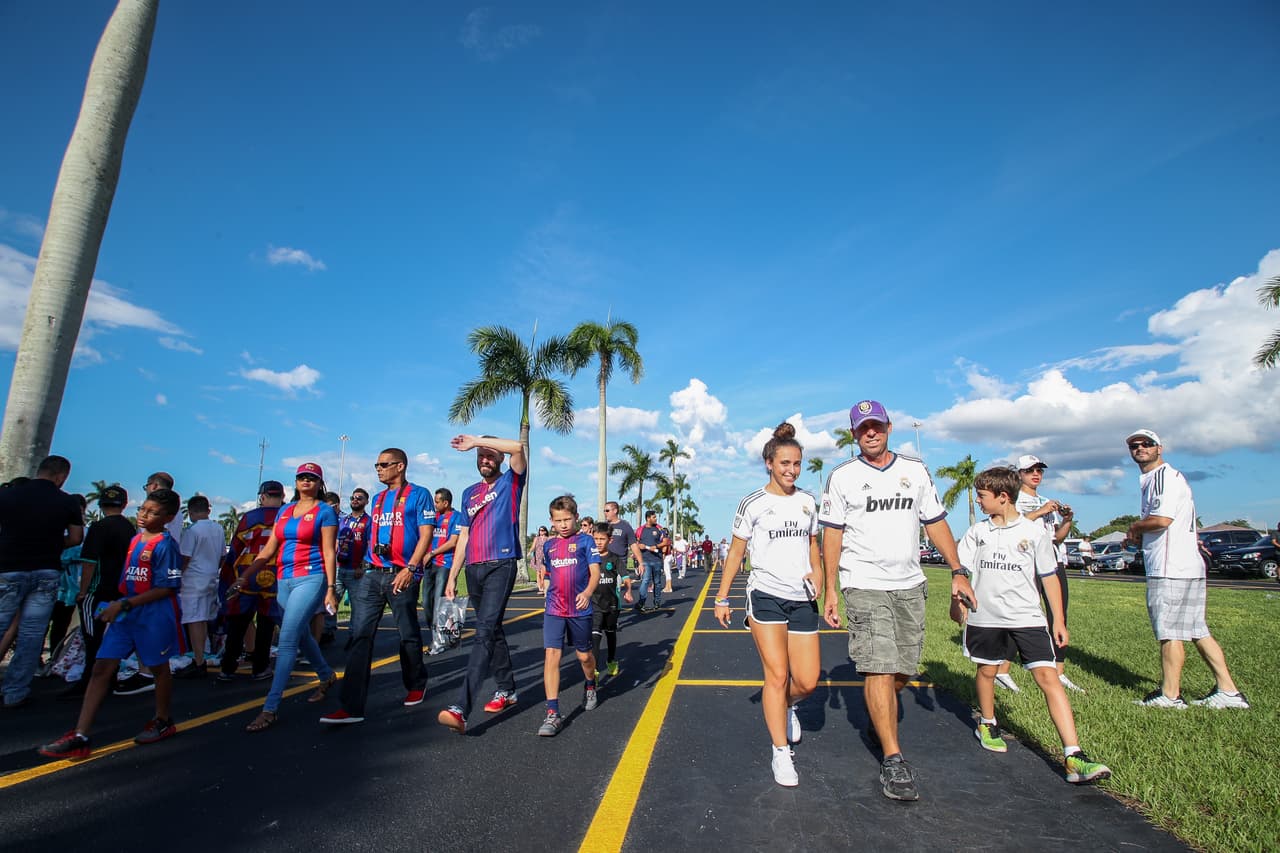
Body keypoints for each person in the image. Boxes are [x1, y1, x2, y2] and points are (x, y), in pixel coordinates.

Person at [820, 400, 974, 802]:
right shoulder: (843, 477)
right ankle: (893, 759)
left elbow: (935, 521)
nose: (870, 432)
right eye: (863, 428)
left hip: (910, 584)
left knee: (903, 668)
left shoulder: (915, 470)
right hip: (863, 582)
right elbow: (832, 534)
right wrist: (831, 588)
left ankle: (880, 717)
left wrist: (958, 569)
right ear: (854, 434)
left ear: (889, 427)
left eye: (876, 425)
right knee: (879, 666)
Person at [955, 467, 1111, 784]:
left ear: (1002, 496)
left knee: (1048, 676)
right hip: (986, 617)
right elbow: (961, 574)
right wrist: (956, 604)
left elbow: (1049, 576)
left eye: (982, 496)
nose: (978, 501)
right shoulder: (977, 532)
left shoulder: (1034, 532)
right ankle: (988, 723)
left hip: (1027, 617)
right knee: (987, 671)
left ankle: (1074, 755)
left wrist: (1059, 620)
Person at [715, 423, 832, 787]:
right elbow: (736, 552)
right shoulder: (753, 503)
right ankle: (780, 751)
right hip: (765, 594)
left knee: (808, 681)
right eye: (784, 463)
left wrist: (819, 578)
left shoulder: (807, 501)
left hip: (801, 597)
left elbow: (813, 546)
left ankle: (787, 705)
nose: (791, 470)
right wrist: (722, 596)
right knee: (777, 675)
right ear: (769, 463)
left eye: (796, 463)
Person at [39, 488, 184, 758]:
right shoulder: (135, 539)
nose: (144, 515)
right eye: (143, 509)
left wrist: (126, 604)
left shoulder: (166, 546)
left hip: (152, 616)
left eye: (153, 512)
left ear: (169, 517)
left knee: (158, 669)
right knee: (101, 668)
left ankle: (163, 719)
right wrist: (117, 604)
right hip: (125, 614)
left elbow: (168, 587)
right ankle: (81, 734)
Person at [1124, 429, 1248, 709]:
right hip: (1185, 564)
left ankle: (1170, 695)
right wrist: (1140, 534)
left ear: (1159, 448)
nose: (1140, 448)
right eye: (1134, 445)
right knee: (1196, 630)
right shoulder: (1158, 478)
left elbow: (1162, 519)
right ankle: (1229, 691)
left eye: (1147, 444)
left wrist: (1135, 527)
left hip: (1170, 567)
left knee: (1169, 632)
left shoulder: (1163, 477)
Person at [321, 449, 434, 724]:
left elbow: (426, 534)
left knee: (407, 633)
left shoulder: (419, 494)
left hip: (401, 574)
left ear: (400, 466)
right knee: (360, 635)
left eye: (384, 464)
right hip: (373, 574)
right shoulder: (379, 499)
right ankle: (351, 707)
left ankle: (416, 682)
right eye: (376, 465)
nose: (379, 469)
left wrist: (411, 568)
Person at [238, 464, 340, 732]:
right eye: (302, 477)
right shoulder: (284, 511)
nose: (306, 481)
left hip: (312, 576)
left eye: (312, 478)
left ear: (319, 483)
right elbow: (269, 548)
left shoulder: (325, 511)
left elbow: (329, 551)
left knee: (287, 641)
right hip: (284, 579)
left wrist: (331, 588)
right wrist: (245, 576)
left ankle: (270, 708)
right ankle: (326, 675)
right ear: (295, 482)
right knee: (301, 633)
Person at [437, 435, 527, 735]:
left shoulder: (511, 481)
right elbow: (463, 535)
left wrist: (477, 441)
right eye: (480, 456)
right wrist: (453, 575)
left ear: (499, 458)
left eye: (490, 455)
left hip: (502, 563)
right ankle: (507, 689)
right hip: (474, 568)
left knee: (484, 631)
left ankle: (460, 708)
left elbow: (518, 448)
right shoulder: (469, 493)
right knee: (493, 628)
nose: (485, 460)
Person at [0, 455, 85, 708]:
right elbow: (76, 537)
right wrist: (53, 544)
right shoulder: (67, 501)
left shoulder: (9, 495)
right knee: (32, 634)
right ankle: (15, 691)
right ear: (61, 476)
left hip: (9, 568)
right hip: (46, 570)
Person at [1007, 455, 1083, 694]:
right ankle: (1002, 668)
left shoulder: (1045, 501)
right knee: (1021, 613)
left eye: (1039, 470)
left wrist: (1067, 520)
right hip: (1027, 561)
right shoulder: (1014, 499)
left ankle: (1059, 670)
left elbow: (1056, 537)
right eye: (1030, 470)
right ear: (1019, 474)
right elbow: (1014, 525)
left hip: (1052, 561)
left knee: (1058, 613)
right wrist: (1041, 511)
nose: (1035, 474)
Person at [535, 495, 601, 736]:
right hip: (554, 608)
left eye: (567, 519)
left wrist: (587, 592)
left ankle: (590, 684)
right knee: (552, 655)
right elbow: (550, 573)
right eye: (558, 520)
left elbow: (595, 572)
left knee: (584, 656)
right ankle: (553, 713)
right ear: (551, 521)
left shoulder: (586, 541)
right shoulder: (549, 545)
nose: (563, 525)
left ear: (576, 517)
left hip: (579, 608)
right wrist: (546, 591)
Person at [63, 485, 133, 700]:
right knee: (112, 637)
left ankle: (90, 681)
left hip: (97, 591)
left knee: (92, 637)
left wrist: (83, 591)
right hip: (119, 592)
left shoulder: (99, 527)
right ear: (124, 505)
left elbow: (89, 562)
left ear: (101, 504)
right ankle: (109, 677)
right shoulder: (129, 528)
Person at [218, 481, 286, 684]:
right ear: (282, 497)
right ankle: (260, 667)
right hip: (275, 575)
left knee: (239, 622)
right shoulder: (287, 516)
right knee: (266, 623)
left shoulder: (249, 518)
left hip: (247, 573)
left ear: (262, 497)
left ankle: (227, 668)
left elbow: (235, 549)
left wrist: (229, 578)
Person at [175, 495, 226, 678]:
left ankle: (198, 661)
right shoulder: (218, 528)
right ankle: (201, 656)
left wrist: (176, 576)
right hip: (211, 577)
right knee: (203, 619)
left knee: (194, 621)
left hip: (193, 580)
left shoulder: (192, 530)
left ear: (190, 512)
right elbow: (223, 556)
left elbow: (185, 557)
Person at [323, 487, 371, 644]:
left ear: (366, 502)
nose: (355, 500)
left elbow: (369, 546)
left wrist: (362, 566)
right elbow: (336, 542)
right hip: (339, 567)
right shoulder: (344, 520)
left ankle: (354, 634)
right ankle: (328, 630)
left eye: (359, 498)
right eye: (353, 497)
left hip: (355, 570)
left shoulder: (368, 522)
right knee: (332, 600)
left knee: (357, 605)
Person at [46, 494, 88, 660]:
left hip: (72, 589)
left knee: (61, 625)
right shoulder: (56, 529)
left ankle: (55, 658)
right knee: (43, 624)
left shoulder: (86, 532)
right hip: (52, 585)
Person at [591, 521, 631, 679]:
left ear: (610, 540)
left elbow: (625, 576)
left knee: (610, 633)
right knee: (595, 634)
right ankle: (594, 671)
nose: (598, 542)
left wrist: (628, 590)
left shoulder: (614, 559)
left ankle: (611, 660)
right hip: (594, 603)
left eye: (602, 539)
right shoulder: (589, 558)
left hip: (612, 603)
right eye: (595, 539)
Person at [421, 488, 462, 637]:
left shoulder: (457, 517)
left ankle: (439, 635)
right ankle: (435, 629)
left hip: (445, 563)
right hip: (429, 564)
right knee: (426, 602)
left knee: (439, 601)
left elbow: (453, 542)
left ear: (446, 503)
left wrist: (432, 553)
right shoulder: (433, 517)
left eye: (437, 502)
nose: (435, 504)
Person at [603, 501, 644, 598]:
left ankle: (614, 606)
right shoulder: (604, 527)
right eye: (604, 511)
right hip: (604, 563)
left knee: (614, 590)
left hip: (619, 564)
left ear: (615, 511)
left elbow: (633, 545)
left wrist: (641, 563)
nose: (605, 513)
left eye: (607, 510)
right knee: (604, 591)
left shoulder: (625, 526)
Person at [635, 510, 668, 611]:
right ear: (648, 518)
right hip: (645, 560)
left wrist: (656, 546)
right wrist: (639, 546)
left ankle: (657, 602)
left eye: (655, 517)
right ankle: (641, 602)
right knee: (645, 581)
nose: (656, 519)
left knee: (657, 582)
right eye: (654, 517)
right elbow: (636, 544)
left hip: (657, 559)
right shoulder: (640, 530)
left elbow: (666, 542)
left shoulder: (659, 529)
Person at [144, 472, 184, 540]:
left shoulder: (160, 508)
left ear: (154, 486)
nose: (146, 490)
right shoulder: (176, 510)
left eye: (146, 486)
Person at [531, 525, 550, 594]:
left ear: (545, 531)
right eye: (540, 530)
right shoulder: (536, 538)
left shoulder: (548, 538)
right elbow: (533, 546)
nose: (541, 532)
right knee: (538, 572)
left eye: (542, 530)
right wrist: (529, 552)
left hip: (545, 556)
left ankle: (543, 586)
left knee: (543, 572)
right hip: (537, 556)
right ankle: (540, 587)